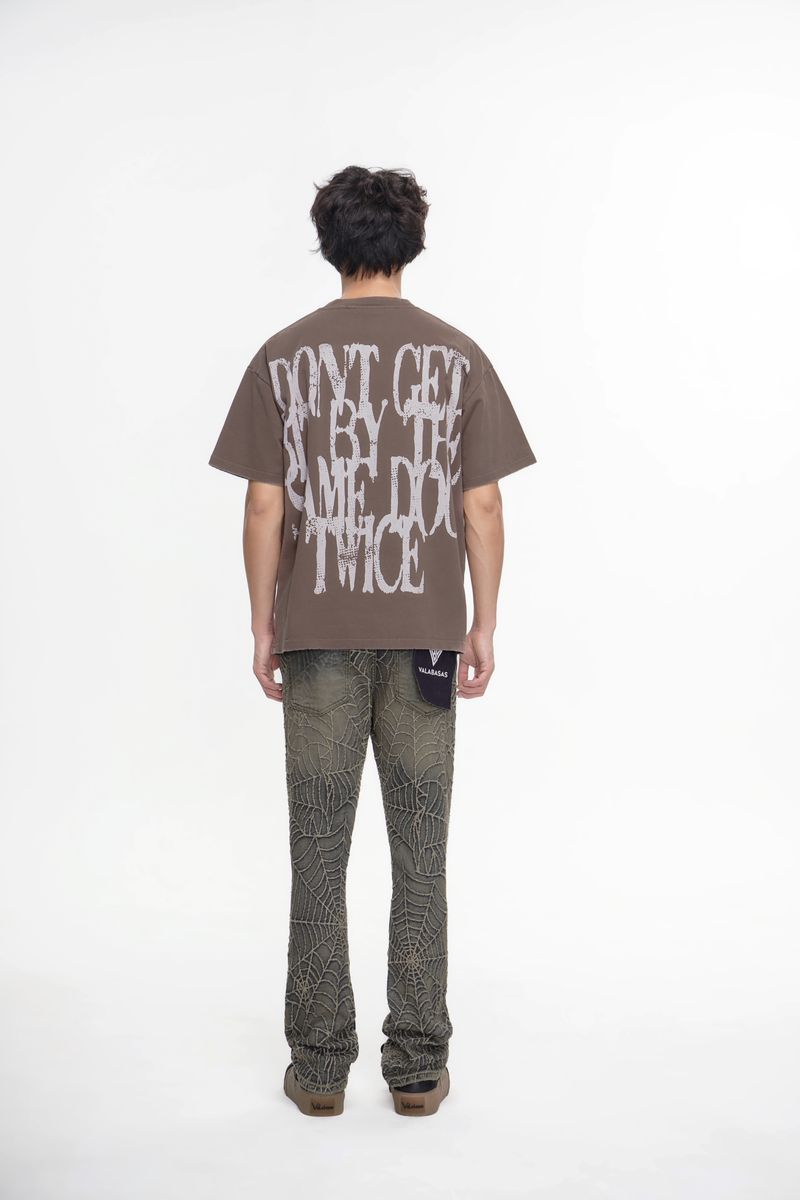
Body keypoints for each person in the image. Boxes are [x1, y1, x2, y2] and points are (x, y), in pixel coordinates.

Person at [208, 165, 537, 1118]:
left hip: (316, 637)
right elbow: (482, 505)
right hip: (427, 639)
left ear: (330, 244)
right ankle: (418, 1066)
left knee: (318, 849)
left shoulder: (283, 356)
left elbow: (263, 504)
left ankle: (319, 1070)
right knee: (421, 849)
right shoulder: (458, 357)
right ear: (411, 244)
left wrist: (264, 620)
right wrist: (483, 620)